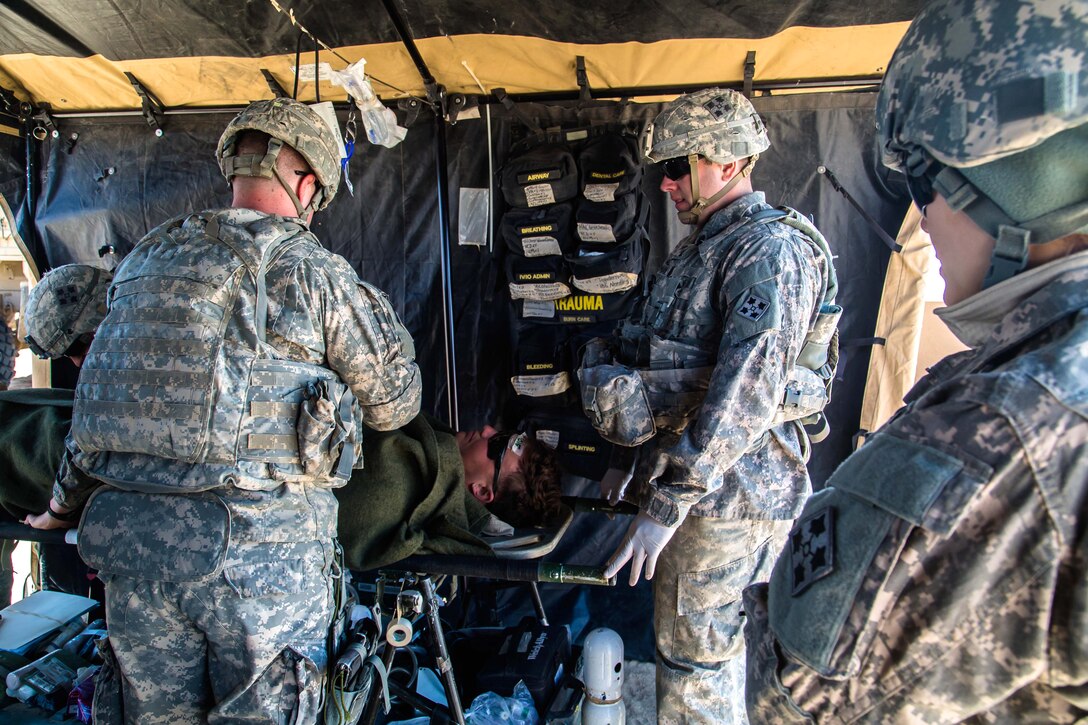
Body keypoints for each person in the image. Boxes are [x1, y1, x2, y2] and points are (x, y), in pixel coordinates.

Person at [25, 98, 422, 724]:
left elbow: (100, 405)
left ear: (234, 165)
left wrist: (57, 509)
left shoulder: (146, 260)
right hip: (258, 565)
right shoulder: (311, 272)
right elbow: (394, 403)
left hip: (136, 557)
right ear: (308, 183)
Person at [743, 0, 1088, 721]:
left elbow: (801, 695)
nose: (923, 216)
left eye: (923, 183)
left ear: (1013, 180)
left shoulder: (1004, 431)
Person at [578, 88, 838, 723]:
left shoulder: (766, 252)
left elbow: (745, 393)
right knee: (701, 658)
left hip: (729, 502)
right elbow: (649, 357)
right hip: (708, 497)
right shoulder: (704, 250)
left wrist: (667, 504)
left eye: (676, 168)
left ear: (725, 162)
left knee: (697, 668)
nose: (665, 185)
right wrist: (627, 466)